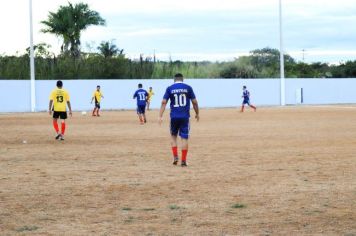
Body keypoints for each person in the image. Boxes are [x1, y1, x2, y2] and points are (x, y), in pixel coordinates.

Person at [159, 73, 199, 167]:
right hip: (185, 117)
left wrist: (160, 116)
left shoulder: (169, 88)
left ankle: (175, 157)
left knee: (173, 136)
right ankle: (184, 161)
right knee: (184, 138)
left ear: (174, 79)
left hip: (174, 117)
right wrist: (197, 113)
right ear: (182, 79)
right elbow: (194, 102)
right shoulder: (188, 88)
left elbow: (164, 102)